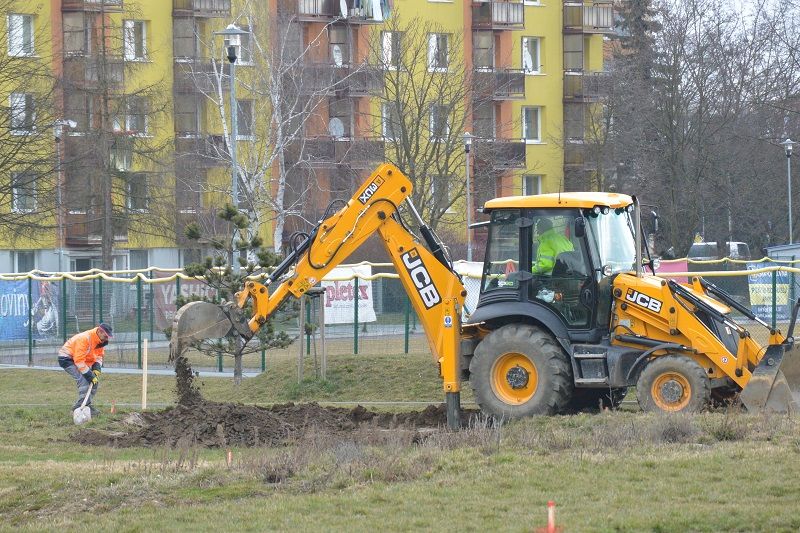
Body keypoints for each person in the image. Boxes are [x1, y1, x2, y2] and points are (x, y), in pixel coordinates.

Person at [57, 323, 113, 415]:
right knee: (83, 380)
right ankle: (78, 408)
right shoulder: (84, 338)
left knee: (94, 383)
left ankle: (86, 404)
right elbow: (78, 361)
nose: (107, 339)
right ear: (99, 331)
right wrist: (89, 375)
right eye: (106, 336)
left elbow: (99, 356)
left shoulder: (100, 341)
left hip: (81, 361)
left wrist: (96, 368)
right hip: (67, 359)